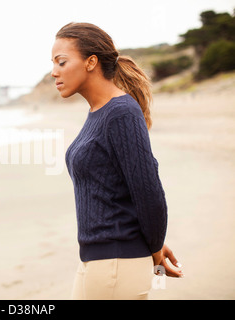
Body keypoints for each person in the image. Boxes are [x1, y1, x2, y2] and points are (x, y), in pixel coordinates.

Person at [51, 22, 183, 300]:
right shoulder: (99, 113)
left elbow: (148, 191)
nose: (54, 72)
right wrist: (153, 242)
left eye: (62, 62)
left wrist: (155, 246)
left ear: (91, 62)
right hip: (98, 260)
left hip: (116, 264)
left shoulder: (121, 112)